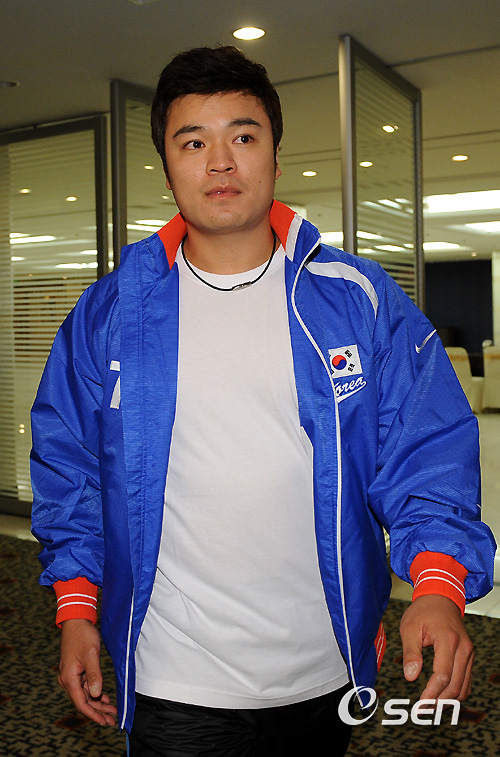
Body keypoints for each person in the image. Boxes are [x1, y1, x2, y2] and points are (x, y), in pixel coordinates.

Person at [31, 46, 495, 756]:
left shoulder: (356, 301)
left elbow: (425, 447)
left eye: (243, 136)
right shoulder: (111, 316)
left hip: (324, 667)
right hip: (175, 677)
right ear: (167, 167)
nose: (220, 162)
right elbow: (70, 470)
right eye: (194, 142)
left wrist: (437, 583)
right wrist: (76, 608)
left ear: (276, 155)